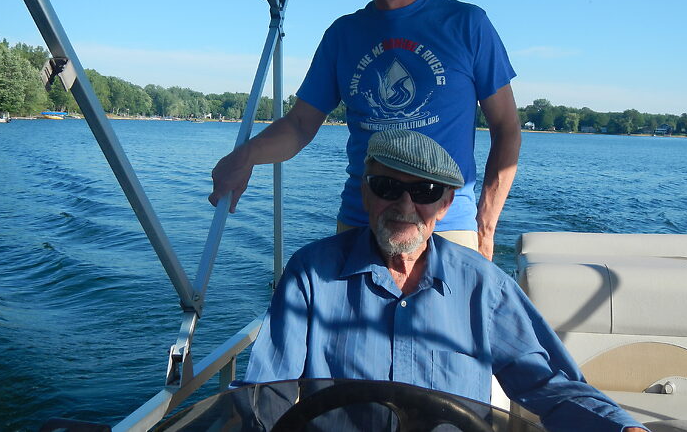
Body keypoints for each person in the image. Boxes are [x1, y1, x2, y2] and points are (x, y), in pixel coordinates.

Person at [242, 130, 648, 432]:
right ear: (365, 193)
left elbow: (548, 384)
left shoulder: (484, 287)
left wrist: (623, 427)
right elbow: (267, 393)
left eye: (425, 190)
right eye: (387, 187)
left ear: (446, 203)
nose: (405, 206)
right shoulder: (310, 276)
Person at [210, 0, 521, 259]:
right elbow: (299, 125)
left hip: (447, 225)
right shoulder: (342, 35)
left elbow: (507, 128)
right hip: (362, 222)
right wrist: (245, 156)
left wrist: (485, 228)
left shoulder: (468, 24)